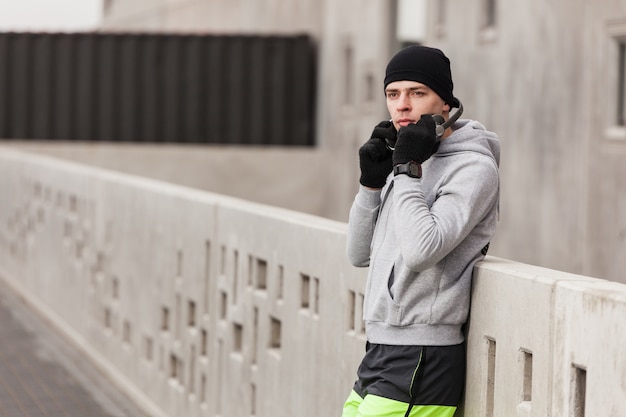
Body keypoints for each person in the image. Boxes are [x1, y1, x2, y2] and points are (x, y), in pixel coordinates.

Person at [342, 45, 500, 417]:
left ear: (445, 103)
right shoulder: (410, 161)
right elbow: (358, 254)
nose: (402, 105)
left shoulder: (473, 169)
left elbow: (421, 250)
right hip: (379, 346)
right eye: (393, 94)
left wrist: (407, 168)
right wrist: (370, 185)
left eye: (417, 93)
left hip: (423, 354)